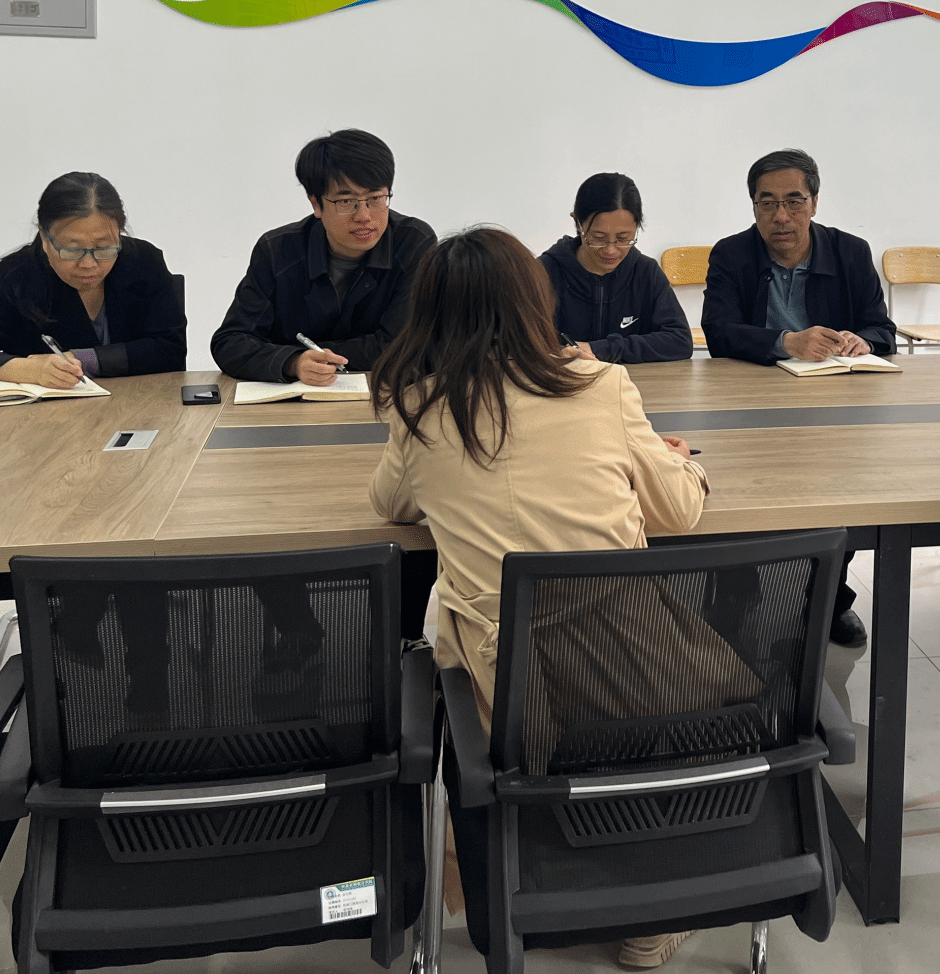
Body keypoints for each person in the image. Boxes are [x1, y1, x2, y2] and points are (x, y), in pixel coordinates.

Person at [367, 227, 712, 971]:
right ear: (535, 301)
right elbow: (679, 511)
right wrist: (685, 465)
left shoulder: (419, 405)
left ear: (428, 314)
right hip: (635, 664)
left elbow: (390, 504)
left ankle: (526, 891)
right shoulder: (600, 384)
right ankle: (648, 917)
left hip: (503, 686)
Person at [703, 147, 894, 648]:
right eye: (767, 203)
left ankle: (829, 600)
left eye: (794, 201)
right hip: (748, 401)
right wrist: (785, 341)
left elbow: (882, 328)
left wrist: (862, 340)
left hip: (831, 405)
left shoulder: (850, 252)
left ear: (814, 202)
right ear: (753, 206)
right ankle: (736, 591)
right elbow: (718, 332)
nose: (781, 216)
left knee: (841, 489)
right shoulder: (731, 254)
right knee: (737, 491)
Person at [212, 129, 436, 385]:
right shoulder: (277, 251)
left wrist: (307, 354)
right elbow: (230, 342)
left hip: (382, 395)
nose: (364, 216)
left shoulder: (413, 243)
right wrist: (294, 362)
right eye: (346, 201)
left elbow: (405, 345)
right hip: (295, 399)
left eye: (375, 198)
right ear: (316, 204)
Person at [0, 171, 185, 385]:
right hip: (46, 419)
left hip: (140, 407)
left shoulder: (143, 262)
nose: (88, 264)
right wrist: (27, 369)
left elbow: (170, 350)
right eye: (72, 250)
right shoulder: (15, 276)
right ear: (45, 238)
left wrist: (79, 359)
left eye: (103, 248)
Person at [539, 172, 693, 364]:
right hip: (565, 379)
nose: (611, 250)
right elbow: (519, 343)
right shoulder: (544, 272)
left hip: (632, 381)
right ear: (577, 223)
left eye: (623, 238)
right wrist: (560, 352)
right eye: (598, 238)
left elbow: (680, 341)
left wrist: (600, 349)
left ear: (638, 223)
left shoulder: (646, 273)